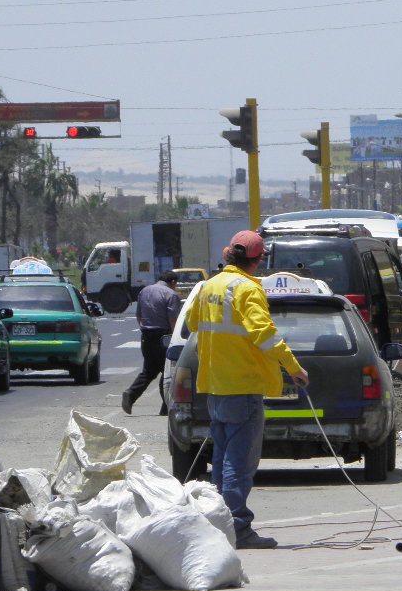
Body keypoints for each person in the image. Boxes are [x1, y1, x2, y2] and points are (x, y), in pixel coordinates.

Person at [186, 231, 308, 550]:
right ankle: (237, 527)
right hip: (243, 386)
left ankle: (219, 523)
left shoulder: (208, 286)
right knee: (239, 463)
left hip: (214, 385)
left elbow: (192, 323)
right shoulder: (247, 289)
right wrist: (293, 368)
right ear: (257, 260)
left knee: (224, 458)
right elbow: (264, 334)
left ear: (229, 255)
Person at [122, 270, 181, 416]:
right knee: (167, 371)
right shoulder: (171, 294)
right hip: (164, 336)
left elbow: (139, 317)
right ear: (173, 282)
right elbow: (173, 320)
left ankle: (131, 394)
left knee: (149, 371)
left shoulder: (144, 291)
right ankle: (166, 406)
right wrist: (175, 339)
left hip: (147, 335)